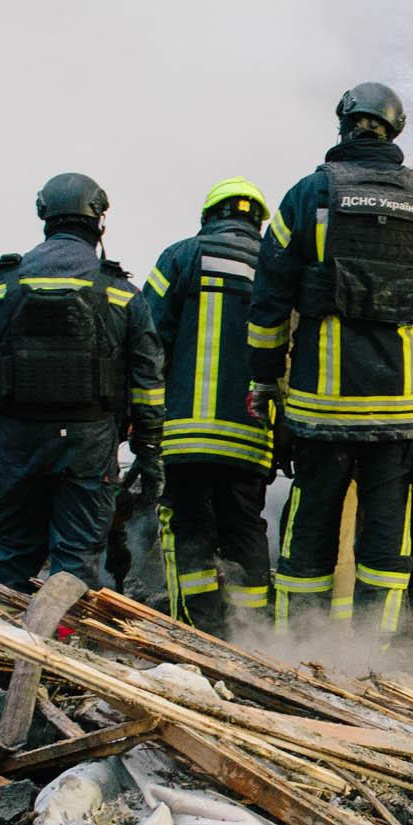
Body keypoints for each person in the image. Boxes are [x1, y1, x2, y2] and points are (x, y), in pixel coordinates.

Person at [250, 82, 413, 636]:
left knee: (311, 526)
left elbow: (269, 299)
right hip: (399, 412)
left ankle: (294, 646)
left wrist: (262, 378)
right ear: (395, 131)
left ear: (345, 126)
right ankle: (377, 655)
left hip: (322, 405)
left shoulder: (308, 196)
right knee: (386, 531)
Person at [0, 174, 162, 589]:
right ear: (99, 221)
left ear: (44, 216)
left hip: (18, 439)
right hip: (88, 443)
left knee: (14, 549)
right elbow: (147, 379)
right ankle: (59, 642)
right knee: (76, 557)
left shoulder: (4, 283)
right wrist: (149, 450)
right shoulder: (120, 290)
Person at [139, 177, 276, 631]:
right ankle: (254, 633)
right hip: (252, 438)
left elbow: (147, 337)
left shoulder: (180, 256)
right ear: (258, 221)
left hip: (185, 435)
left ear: (209, 215)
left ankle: (198, 629)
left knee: (188, 528)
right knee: (245, 529)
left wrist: (139, 415)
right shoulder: (277, 269)